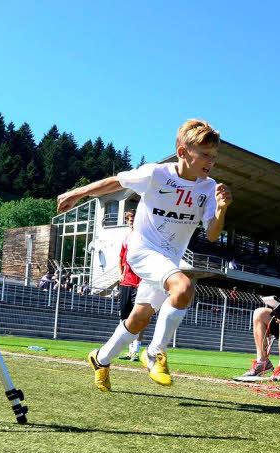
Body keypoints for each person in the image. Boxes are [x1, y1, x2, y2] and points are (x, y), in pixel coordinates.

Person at [57, 119, 232, 391]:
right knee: (184, 286)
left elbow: (211, 234)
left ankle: (100, 359)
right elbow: (116, 181)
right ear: (183, 152)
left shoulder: (208, 188)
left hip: (169, 260)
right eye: (205, 155)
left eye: (214, 156)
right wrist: (77, 193)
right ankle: (155, 353)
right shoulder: (156, 174)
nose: (211, 162)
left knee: (139, 318)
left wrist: (221, 209)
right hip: (143, 251)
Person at [117, 209, 143, 361]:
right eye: (128, 218)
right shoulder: (126, 237)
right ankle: (128, 350)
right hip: (126, 283)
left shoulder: (143, 236)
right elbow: (120, 258)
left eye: (133, 217)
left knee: (139, 317)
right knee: (124, 318)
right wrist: (120, 274)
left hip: (140, 284)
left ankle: (136, 351)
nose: (131, 219)